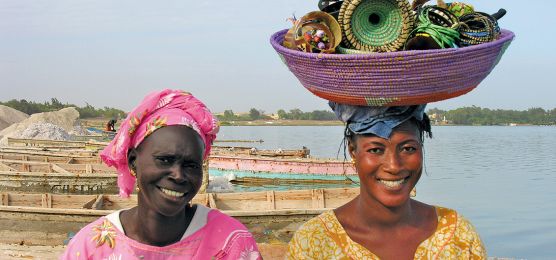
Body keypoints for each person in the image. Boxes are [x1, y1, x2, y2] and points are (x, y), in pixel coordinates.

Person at [61, 89, 261, 259]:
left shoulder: (231, 244)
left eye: (191, 165)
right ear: (133, 162)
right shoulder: (91, 247)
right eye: (165, 160)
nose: (178, 175)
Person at [287, 103, 486, 259]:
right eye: (376, 150)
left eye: (408, 148)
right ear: (353, 151)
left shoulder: (457, 233)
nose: (394, 166)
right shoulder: (314, 244)